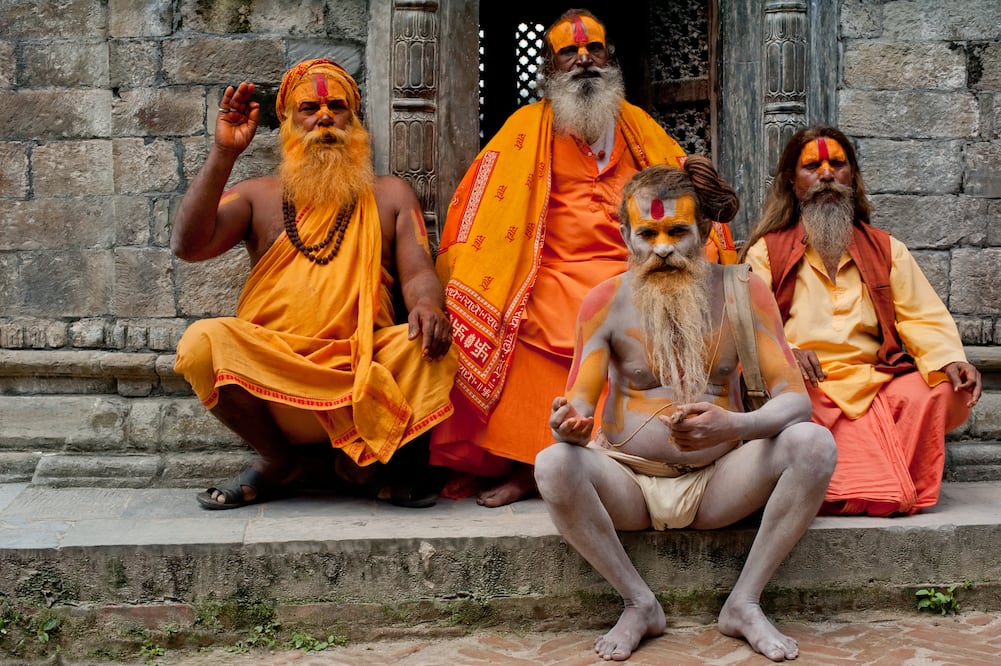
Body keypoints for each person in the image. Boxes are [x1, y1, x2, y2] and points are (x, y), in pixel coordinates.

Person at [432, 9, 738, 507]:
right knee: (506, 317)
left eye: (593, 50)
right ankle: (530, 466)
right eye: (568, 53)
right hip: (548, 274)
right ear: (550, 70)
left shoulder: (639, 127)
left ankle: (625, 455)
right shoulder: (524, 128)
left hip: (635, 272)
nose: (583, 60)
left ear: (609, 58)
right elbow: (482, 206)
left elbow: (683, 192)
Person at [537, 158, 836, 662]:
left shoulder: (745, 291)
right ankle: (639, 603)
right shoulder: (602, 302)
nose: (663, 248)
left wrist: (734, 424)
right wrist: (567, 426)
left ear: (702, 230)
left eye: (677, 231)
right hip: (628, 483)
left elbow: (795, 401)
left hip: (720, 482)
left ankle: (743, 603)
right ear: (626, 235)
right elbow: (579, 410)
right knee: (552, 464)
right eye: (647, 234)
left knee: (814, 444)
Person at [171, 59, 456, 509]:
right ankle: (277, 460)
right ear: (288, 121)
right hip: (272, 375)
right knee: (200, 343)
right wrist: (224, 154)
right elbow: (189, 245)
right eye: (309, 108)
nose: (324, 116)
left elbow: (419, 271)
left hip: (360, 372)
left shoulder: (391, 194)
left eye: (336, 106)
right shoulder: (258, 196)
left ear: (353, 119)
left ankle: (359, 462)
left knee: (429, 348)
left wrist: (428, 307)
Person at [741, 125, 982, 516]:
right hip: (807, 387)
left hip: (876, 382)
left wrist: (950, 359)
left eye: (837, 164)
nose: (825, 174)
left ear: (851, 175)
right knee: (787, 406)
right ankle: (870, 486)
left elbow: (921, 317)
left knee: (945, 391)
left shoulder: (887, 249)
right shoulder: (766, 253)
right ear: (791, 180)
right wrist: (785, 353)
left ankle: (859, 485)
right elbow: (751, 326)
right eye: (812, 166)